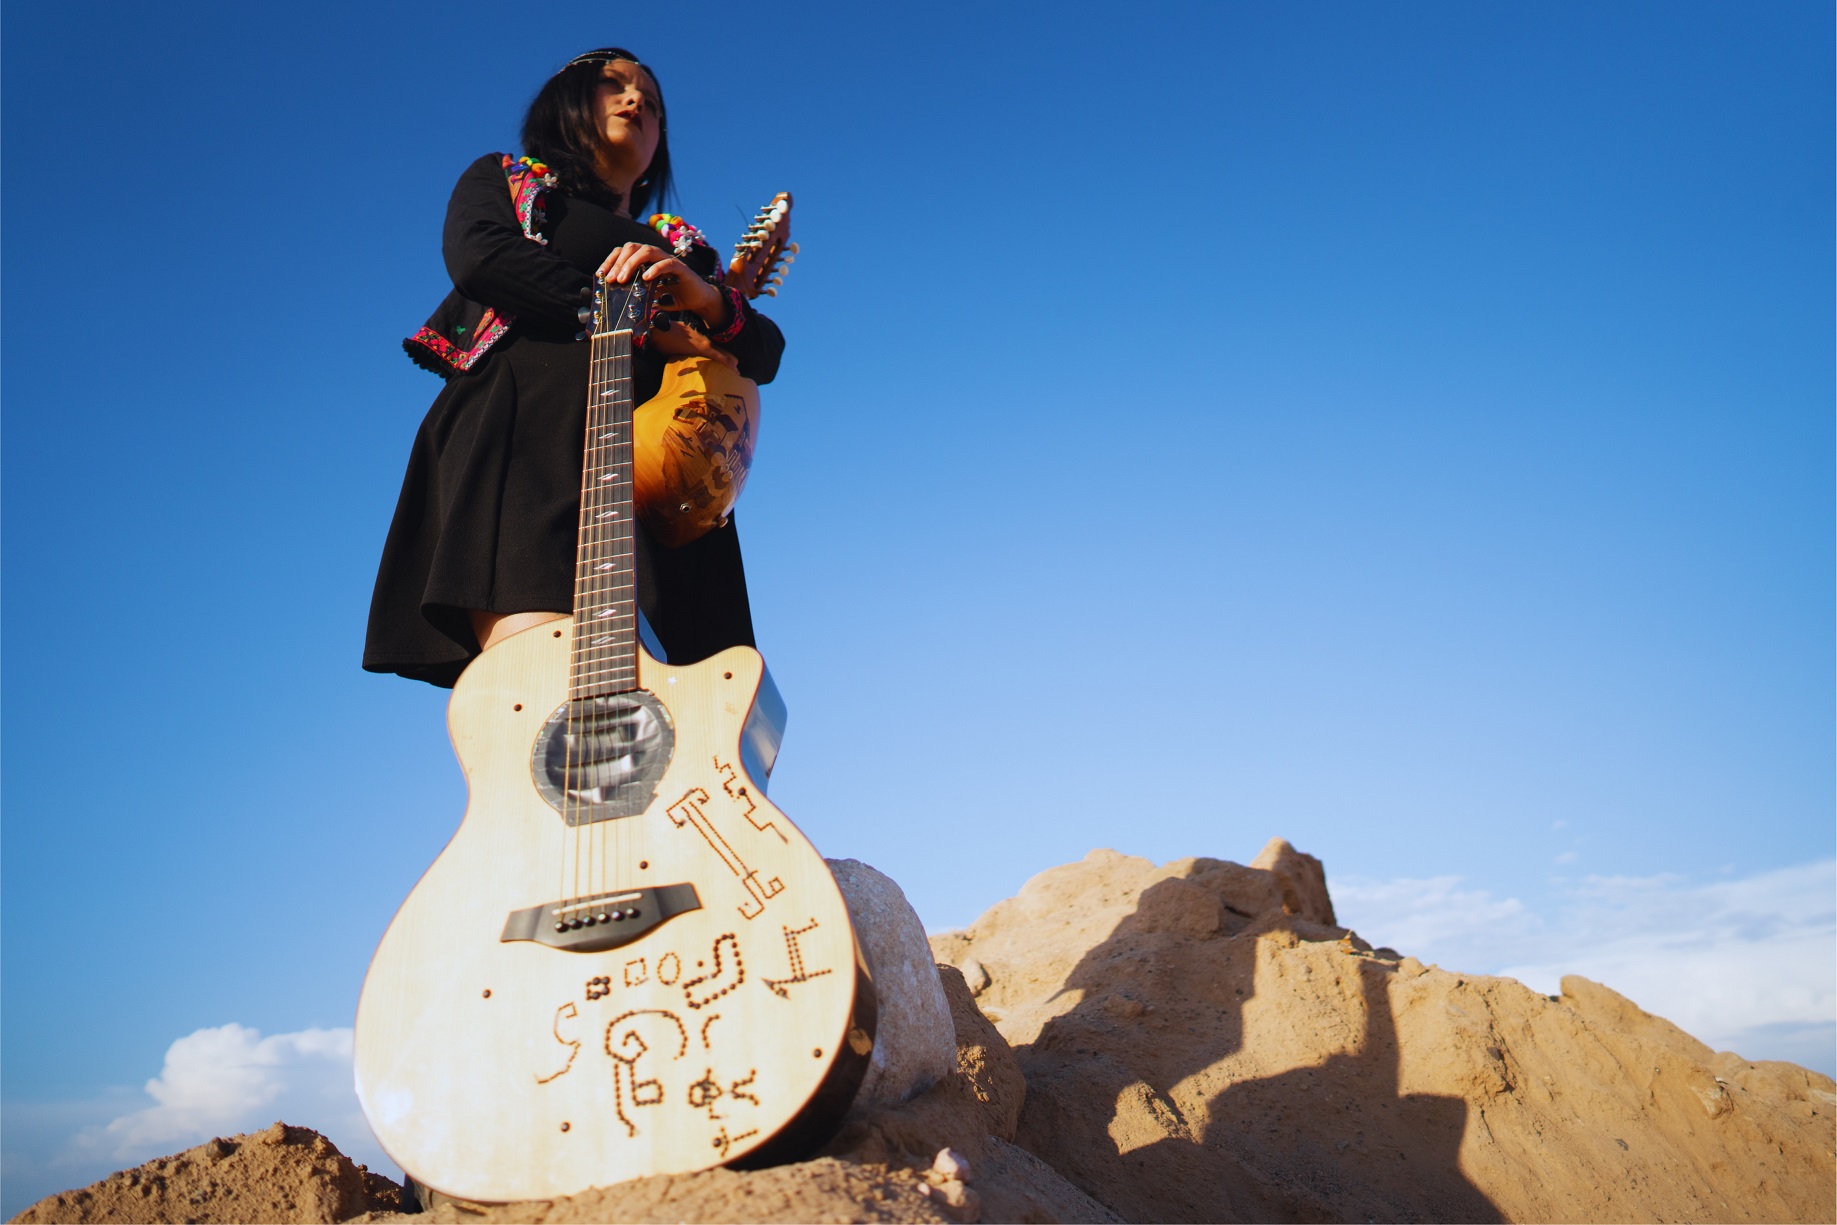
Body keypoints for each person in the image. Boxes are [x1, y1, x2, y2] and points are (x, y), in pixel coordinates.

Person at [363, 47, 784, 687]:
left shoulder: (679, 247)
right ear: (565, 105)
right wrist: (652, 329)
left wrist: (707, 298)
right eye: (614, 85)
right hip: (533, 429)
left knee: (682, 696)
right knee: (544, 675)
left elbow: (764, 354)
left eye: (652, 101)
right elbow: (483, 258)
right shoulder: (508, 180)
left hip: (659, 475)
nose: (636, 101)